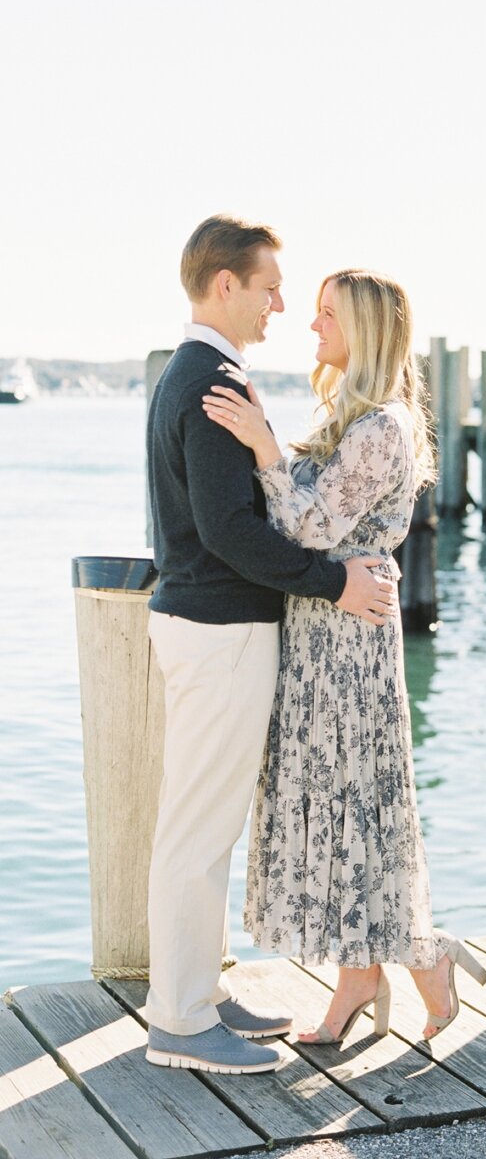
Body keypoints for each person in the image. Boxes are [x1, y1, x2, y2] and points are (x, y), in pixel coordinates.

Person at [202, 267, 486, 1047]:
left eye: (328, 314)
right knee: (341, 801)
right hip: (324, 630)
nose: (312, 325)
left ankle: (390, 966)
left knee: (354, 803)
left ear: (365, 329)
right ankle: (405, 961)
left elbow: (311, 528)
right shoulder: (352, 417)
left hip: (348, 644)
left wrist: (262, 444)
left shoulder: (383, 428)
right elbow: (306, 504)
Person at [143, 216, 401, 1074]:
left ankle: (201, 994)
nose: (281, 305)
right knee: (197, 828)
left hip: (208, 628)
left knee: (205, 823)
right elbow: (228, 532)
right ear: (226, 285)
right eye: (267, 288)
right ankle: (179, 1017)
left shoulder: (197, 374)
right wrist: (335, 584)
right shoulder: (213, 382)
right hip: (216, 631)